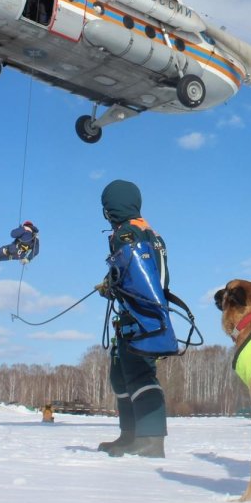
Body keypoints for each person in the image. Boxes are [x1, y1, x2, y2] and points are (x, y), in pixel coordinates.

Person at [95, 180, 171, 458]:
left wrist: (111, 284)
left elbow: (135, 274)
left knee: (139, 374)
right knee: (121, 376)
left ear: (112, 207)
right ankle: (130, 435)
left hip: (142, 318)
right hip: (135, 316)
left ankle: (151, 439)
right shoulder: (145, 232)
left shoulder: (129, 233)